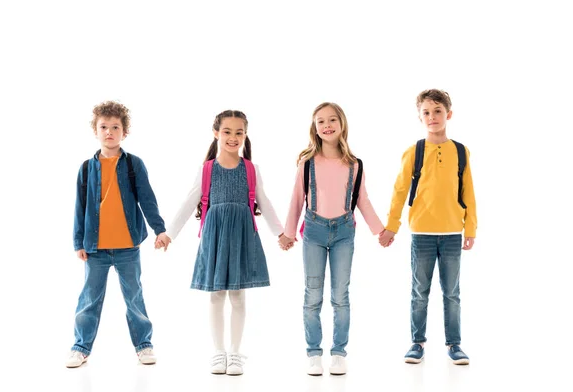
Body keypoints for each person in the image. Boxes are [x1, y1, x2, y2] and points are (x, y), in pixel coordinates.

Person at [158, 110, 285, 375]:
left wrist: (280, 233)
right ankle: (219, 352)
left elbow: (264, 201)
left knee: (238, 295)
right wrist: (169, 233)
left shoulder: (251, 169)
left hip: (241, 235)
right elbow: (189, 201)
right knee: (216, 295)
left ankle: (236, 353)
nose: (233, 137)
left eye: (239, 132)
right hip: (214, 236)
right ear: (216, 133)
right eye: (227, 131)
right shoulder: (206, 170)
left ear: (245, 135)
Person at [279, 102, 385, 376]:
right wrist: (289, 233)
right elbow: (296, 200)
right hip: (313, 230)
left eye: (332, 120)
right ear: (314, 128)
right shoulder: (307, 164)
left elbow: (362, 200)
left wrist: (379, 230)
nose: (327, 125)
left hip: (344, 232)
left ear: (342, 124)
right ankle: (314, 354)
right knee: (312, 294)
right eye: (320, 121)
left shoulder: (355, 164)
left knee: (340, 295)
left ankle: (338, 353)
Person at [66, 101, 171, 368]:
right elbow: (81, 207)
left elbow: (148, 199)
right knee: (89, 299)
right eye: (104, 127)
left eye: (115, 127)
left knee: (134, 296)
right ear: (96, 131)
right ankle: (80, 347)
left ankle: (144, 345)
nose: (109, 132)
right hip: (95, 249)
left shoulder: (134, 164)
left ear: (125, 132)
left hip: (127, 247)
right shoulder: (87, 168)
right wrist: (78, 241)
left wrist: (160, 229)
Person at [379, 89, 477, 365]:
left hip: (451, 234)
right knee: (419, 291)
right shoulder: (414, 151)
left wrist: (470, 229)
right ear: (419, 117)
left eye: (437, 111)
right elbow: (399, 191)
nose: (432, 117)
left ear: (449, 114)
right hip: (421, 232)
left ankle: (454, 343)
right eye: (426, 112)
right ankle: (417, 343)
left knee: (452, 293)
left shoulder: (460, 151)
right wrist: (391, 226)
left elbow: (468, 191)